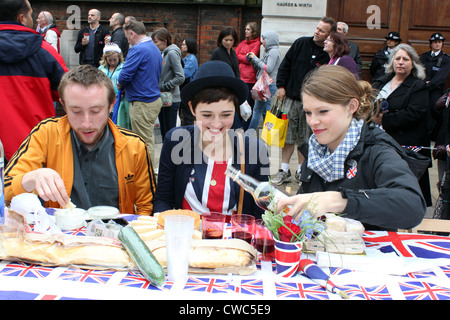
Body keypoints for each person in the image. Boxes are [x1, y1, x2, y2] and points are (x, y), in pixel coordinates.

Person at [276, 65, 426, 231]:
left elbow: (412, 205)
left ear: (351, 107)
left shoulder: (376, 149)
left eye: (323, 111)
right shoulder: (315, 149)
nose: (312, 122)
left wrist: (341, 200)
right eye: (308, 112)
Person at [4, 65, 156, 215]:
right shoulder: (46, 133)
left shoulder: (134, 146)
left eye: (95, 111)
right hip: (60, 236)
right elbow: (5, 188)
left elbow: (146, 207)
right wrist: (32, 177)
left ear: (111, 105)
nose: (86, 124)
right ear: (63, 105)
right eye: (76, 111)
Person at [154, 60, 270, 219]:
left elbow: (261, 213)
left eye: (226, 115)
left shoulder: (255, 151)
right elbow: (163, 199)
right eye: (207, 115)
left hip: (234, 240)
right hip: (188, 235)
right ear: (192, 108)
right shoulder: (176, 141)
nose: (216, 124)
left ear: (235, 111)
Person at [0, 0, 68, 162]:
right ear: (21, 18)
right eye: (31, 14)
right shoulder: (45, 52)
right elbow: (70, 94)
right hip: (36, 148)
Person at [272, 17, 335, 186]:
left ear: (330, 34)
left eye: (322, 31)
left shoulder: (328, 54)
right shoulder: (300, 43)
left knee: (305, 138)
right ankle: (284, 170)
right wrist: (281, 86)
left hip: (313, 104)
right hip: (291, 99)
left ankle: (301, 171)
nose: (317, 32)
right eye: (317, 28)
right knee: (287, 136)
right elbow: (285, 65)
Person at [371, 44, 432, 207]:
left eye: (406, 59)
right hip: (376, 138)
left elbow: (415, 113)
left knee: (402, 186)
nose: (401, 62)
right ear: (391, 62)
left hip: (404, 142)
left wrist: (384, 120)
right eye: (397, 58)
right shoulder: (381, 80)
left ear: (413, 63)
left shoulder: (418, 86)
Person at [118, 19, 162, 166]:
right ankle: (148, 169)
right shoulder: (154, 47)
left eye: (127, 36)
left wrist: (119, 83)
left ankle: (147, 171)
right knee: (147, 138)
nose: (128, 40)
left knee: (143, 140)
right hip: (152, 99)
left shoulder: (137, 49)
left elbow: (124, 76)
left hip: (142, 101)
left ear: (132, 33)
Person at [420, 33, 450, 177]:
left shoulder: (445, 59)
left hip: (435, 92)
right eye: (434, 42)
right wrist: (422, 84)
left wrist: (429, 84)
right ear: (430, 43)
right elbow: (420, 71)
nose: (437, 44)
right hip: (422, 90)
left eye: (439, 42)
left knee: (434, 113)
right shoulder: (424, 57)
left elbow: (441, 77)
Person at [151, 28, 185, 140]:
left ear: (164, 41)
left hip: (172, 99)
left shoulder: (172, 53)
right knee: (164, 132)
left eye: (156, 41)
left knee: (170, 133)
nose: (154, 44)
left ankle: (172, 156)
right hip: (163, 98)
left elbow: (180, 77)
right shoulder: (163, 54)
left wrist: (164, 85)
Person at [246, 30, 281, 131]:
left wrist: (255, 59)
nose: (262, 42)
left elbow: (268, 68)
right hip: (266, 85)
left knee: (257, 110)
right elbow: (260, 66)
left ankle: (249, 133)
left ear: (270, 40)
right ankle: (269, 132)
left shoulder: (273, 52)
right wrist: (253, 60)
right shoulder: (269, 52)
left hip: (267, 85)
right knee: (266, 111)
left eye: (264, 40)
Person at [98, 43, 130, 129]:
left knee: (118, 124)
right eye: (110, 60)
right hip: (105, 100)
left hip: (120, 100)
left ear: (119, 57)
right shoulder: (101, 69)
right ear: (105, 58)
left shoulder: (124, 68)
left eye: (114, 60)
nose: (112, 62)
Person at [236, 21, 262, 124]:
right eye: (245, 29)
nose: (245, 31)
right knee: (239, 104)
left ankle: (245, 127)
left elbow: (249, 58)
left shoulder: (257, 43)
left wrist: (242, 57)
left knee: (247, 105)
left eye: (248, 29)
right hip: (240, 77)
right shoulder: (243, 43)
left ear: (254, 31)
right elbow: (235, 55)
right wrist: (244, 56)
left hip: (249, 79)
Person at [180, 37, 198, 126]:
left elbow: (185, 74)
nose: (182, 46)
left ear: (189, 46)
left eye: (184, 44)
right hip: (185, 88)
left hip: (189, 90)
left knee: (187, 115)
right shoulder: (187, 58)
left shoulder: (191, 59)